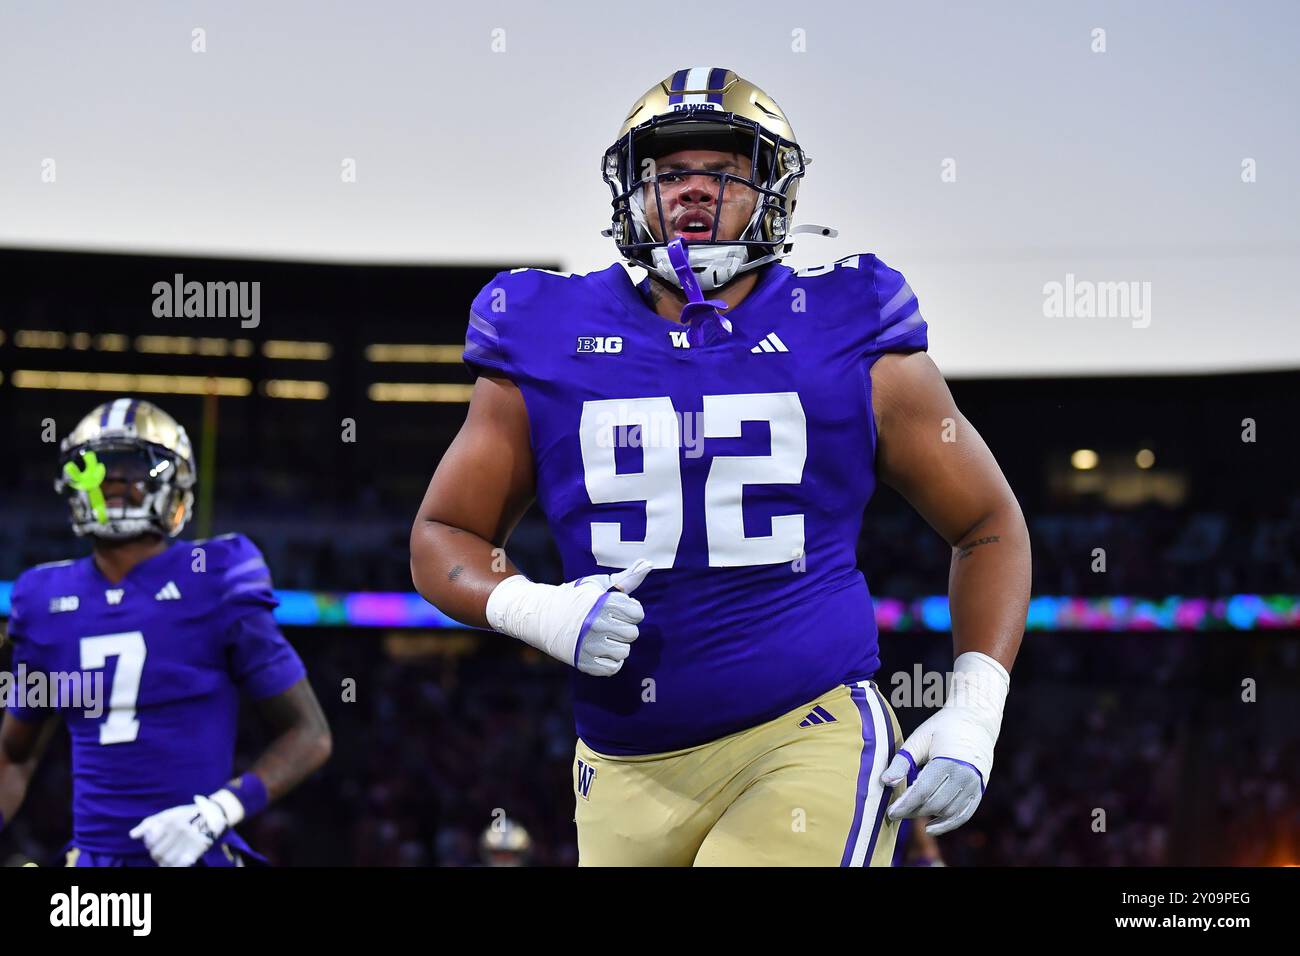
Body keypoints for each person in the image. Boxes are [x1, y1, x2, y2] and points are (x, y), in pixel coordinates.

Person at [411, 67, 1030, 865]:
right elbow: (443, 534)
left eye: (724, 172)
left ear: (773, 189)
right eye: (670, 173)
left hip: (806, 732)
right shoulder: (543, 330)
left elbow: (986, 524)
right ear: (633, 190)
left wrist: (976, 707)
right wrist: (534, 608)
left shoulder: (846, 323)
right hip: (618, 762)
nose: (693, 192)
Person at [0, 398, 331, 866]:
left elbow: (310, 733)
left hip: (198, 855)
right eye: (96, 469)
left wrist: (218, 811)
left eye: (132, 468)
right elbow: (14, 755)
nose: (112, 482)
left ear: (175, 486)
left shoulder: (216, 575)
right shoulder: (42, 598)